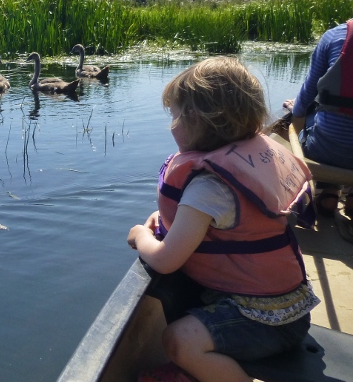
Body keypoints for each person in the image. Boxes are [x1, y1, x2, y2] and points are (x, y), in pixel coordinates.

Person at [128, 57, 318, 382]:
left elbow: (166, 260)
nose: (170, 126)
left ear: (197, 120)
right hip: (288, 310)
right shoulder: (252, 154)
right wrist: (166, 218)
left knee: (177, 341)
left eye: (173, 116)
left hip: (264, 322)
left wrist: (139, 237)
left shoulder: (208, 187)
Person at [284, 0, 353, 216]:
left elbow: (308, 89)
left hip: (326, 149)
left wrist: (298, 110)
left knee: (315, 119)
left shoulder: (335, 36)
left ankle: (329, 189)